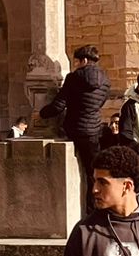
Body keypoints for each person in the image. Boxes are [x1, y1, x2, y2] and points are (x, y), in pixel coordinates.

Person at [43, 44, 112, 215]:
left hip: (75, 129)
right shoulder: (105, 79)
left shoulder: (74, 78)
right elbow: (100, 103)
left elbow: (59, 105)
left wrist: (42, 113)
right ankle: (95, 209)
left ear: (84, 60)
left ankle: (85, 211)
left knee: (78, 171)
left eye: (76, 61)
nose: (76, 64)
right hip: (94, 130)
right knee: (92, 172)